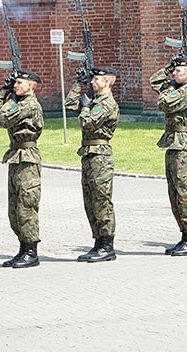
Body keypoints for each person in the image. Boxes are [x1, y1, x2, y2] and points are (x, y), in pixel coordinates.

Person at [0, 69, 44, 269]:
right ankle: (22, 248)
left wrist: (10, 99)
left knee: (26, 207)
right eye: (14, 83)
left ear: (31, 86)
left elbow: (2, 119)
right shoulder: (18, 102)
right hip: (16, 157)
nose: (16, 85)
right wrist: (4, 90)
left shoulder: (29, 105)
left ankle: (31, 252)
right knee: (15, 209)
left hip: (27, 159)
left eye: (19, 83)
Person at [65, 66, 120, 263]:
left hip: (100, 156)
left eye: (96, 79)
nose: (93, 82)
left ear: (107, 81)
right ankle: (98, 242)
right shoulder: (94, 101)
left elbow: (86, 123)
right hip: (88, 154)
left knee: (101, 200)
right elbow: (70, 104)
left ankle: (107, 245)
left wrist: (86, 106)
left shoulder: (105, 104)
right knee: (90, 200)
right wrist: (79, 84)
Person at [150, 55, 187, 256]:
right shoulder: (178, 87)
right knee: (174, 193)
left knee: (184, 192)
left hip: (183, 144)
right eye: (174, 71)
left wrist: (170, 86)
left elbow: (163, 102)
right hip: (173, 143)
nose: (173, 74)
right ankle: (184, 235)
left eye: (178, 71)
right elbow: (154, 81)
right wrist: (168, 69)